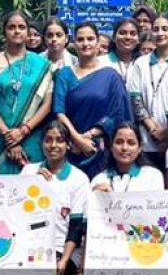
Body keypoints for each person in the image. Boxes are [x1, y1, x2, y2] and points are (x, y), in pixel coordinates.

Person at [75, 121, 165, 275]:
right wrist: (82, 269)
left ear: (140, 148)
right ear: (111, 145)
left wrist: (114, 199)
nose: (125, 148)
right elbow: (91, 229)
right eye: (119, 142)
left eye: (131, 143)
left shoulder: (152, 176)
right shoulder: (99, 179)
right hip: (107, 254)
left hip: (139, 253)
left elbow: (152, 222)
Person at [53, 23, 134, 178]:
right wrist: (77, 139)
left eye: (90, 39)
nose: (85, 43)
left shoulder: (111, 76)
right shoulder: (65, 74)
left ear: (98, 44)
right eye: (80, 39)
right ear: (73, 43)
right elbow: (59, 111)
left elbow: (117, 113)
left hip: (100, 151)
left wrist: (88, 136)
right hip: (70, 148)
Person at [20, 121, 90, 275]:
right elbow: (14, 213)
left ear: (68, 145)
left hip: (62, 250)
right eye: (48, 140)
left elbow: (76, 226)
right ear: (41, 143)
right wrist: (33, 184)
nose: (53, 145)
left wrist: (64, 260)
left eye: (59, 140)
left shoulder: (79, 179)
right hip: (31, 246)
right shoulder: (29, 171)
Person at [0, 11, 53, 174]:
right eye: (11, 27)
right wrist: (9, 136)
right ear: (4, 32)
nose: (17, 31)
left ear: (27, 31)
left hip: (31, 137)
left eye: (21, 27)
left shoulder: (42, 64)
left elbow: (47, 105)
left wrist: (23, 130)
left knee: (31, 190)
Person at [127, 14, 168, 169]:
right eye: (156, 29)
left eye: (165, 29)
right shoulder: (140, 63)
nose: (160, 33)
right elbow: (135, 99)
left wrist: (167, 131)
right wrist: (152, 127)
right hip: (146, 139)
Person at [105, 18, 139, 82]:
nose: (128, 37)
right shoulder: (101, 62)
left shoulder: (142, 63)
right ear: (114, 38)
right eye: (122, 33)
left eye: (133, 33)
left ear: (138, 39)